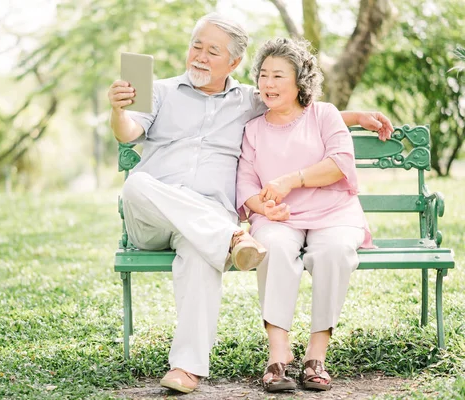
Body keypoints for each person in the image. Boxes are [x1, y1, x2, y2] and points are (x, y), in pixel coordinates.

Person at [108, 13, 392, 394]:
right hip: (156, 214)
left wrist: (355, 117)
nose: (200, 56)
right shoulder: (158, 91)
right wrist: (118, 110)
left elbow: (295, 109)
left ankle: (187, 369)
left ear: (235, 63)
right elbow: (127, 133)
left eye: (213, 51)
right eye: (196, 46)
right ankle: (231, 238)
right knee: (137, 184)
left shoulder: (248, 99)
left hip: (207, 219)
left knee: (198, 251)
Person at [236, 37, 375, 393]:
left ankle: (316, 355)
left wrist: (290, 180)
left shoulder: (324, 114)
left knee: (333, 252)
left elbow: (340, 164)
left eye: (278, 76)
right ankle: (278, 354)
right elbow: (246, 181)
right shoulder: (253, 129)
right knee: (274, 248)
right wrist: (261, 205)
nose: (267, 84)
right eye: (263, 75)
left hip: (334, 212)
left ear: (300, 82)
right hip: (279, 217)